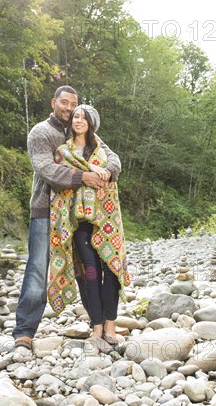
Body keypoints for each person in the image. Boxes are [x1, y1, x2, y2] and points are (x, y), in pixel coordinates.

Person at [12, 86, 121, 350]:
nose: (69, 108)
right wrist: (83, 176)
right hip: (45, 212)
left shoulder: (79, 130)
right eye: (64, 102)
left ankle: (99, 323)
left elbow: (112, 157)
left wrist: (108, 172)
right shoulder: (41, 132)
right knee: (38, 269)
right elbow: (46, 169)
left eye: (73, 104)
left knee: (86, 269)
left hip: (78, 215)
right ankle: (24, 332)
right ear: (53, 103)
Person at [47, 104, 130, 344]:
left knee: (111, 271)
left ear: (92, 123)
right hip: (78, 221)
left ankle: (111, 325)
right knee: (89, 273)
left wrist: (107, 172)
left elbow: (114, 168)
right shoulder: (63, 152)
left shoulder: (103, 152)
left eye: (84, 118)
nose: (79, 120)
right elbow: (58, 184)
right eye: (76, 117)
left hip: (106, 220)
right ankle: (96, 326)